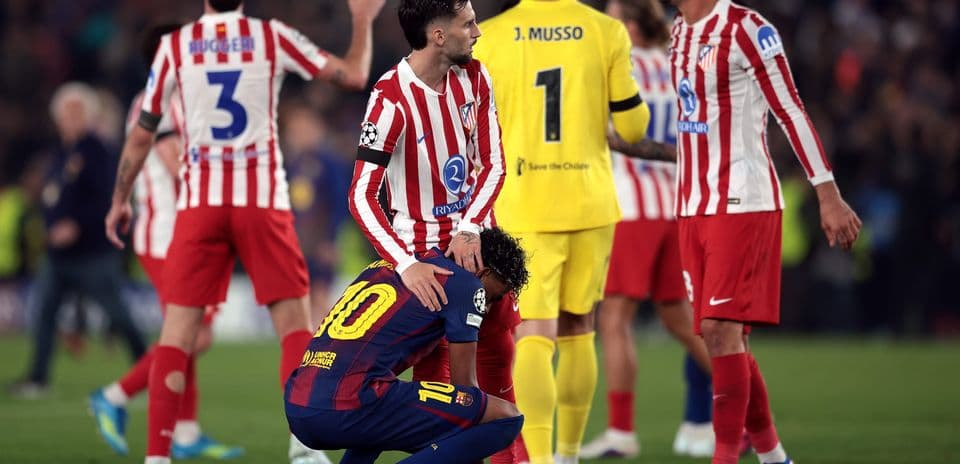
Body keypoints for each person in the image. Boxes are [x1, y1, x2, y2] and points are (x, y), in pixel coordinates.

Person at [103, 1, 385, 463]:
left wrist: (119, 200)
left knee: (177, 334)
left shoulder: (176, 46)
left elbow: (141, 133)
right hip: (261, 201)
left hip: (201, 205)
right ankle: (303, 450)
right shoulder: (270, 36)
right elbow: (353, 75)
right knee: (293, 327)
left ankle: (156, 457)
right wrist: (360, 20)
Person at [667, 1, 861, 463]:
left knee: (718, 329)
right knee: (727, 339)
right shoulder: (678, 32)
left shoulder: (748, 29)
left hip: (743, 200)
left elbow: (790, 109)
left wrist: (827, 194)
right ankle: (774, 456)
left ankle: (726, 456)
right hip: (692, 207)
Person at [473, 1, 651, 463]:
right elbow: (633, 127)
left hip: (523, 202)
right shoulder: (607, 30)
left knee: (532, 331)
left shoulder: (490, 35)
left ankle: (538, 456)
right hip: (589, 201)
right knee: (579, 327)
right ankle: (569, 454)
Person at [347, 1, 522, 462]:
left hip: (478, 248)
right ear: (439, 35)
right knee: (437, 392)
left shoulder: (476, 77)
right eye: (468, 24)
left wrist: (469, 228)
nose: (478, 32)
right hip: (427, 264)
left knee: (499, 362)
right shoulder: (390, 98)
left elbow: (494, 164)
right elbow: (361, 195)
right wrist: (406, 265)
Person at [88, 23, 242, 460]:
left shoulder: (185, 99)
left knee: (186, 330)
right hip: (167, 235)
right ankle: (115, 395)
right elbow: (177, 167)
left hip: (181, 234)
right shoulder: (157, 101)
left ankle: (187, 432)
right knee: (195, 334)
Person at [579, 0, 713, 459]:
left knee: (614, 321)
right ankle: (754, 414)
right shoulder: (674, 62)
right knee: (680, 320)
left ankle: (620, 432)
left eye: (612, 14)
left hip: (629, 207)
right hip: (674, 207)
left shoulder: (618, 64)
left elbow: (603, 130)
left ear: (629, 24)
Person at [285, 227, 528, 464]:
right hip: (348, 403)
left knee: (387, 402)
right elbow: (466, 389)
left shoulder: (390, 264)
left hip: (299, 404)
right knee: (505, 419)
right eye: (494, 297)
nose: (488, 307)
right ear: (483, 273)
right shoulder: (468, 286)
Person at [9, 82, 147, 399]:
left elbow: (109, 199)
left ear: (89, 115)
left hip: (92, 253)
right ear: (57, 117)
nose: (70, 118)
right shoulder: (60, 153)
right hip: (59, 256)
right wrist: (51, 225)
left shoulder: (99, 151)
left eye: (77, 111)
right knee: (44, 314)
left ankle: (148, 373)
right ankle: (37, 378)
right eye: (66, 112)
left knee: (118, 316)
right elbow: (51, 199)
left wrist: (76, 225)